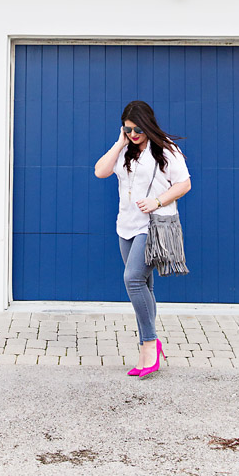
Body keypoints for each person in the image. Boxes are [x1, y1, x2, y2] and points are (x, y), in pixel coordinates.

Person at [94, 100, 191, 377]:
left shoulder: (166, 151)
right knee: (144, 286)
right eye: (128, 129)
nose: (134, 134)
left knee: (132, 279)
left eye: (138, 129)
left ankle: (148, 344)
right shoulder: (125, 151)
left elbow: (184, 184)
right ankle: (152, 344)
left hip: (154, 225)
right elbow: (100, 171)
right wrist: (119, 143)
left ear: (148, 125)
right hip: (126, 225)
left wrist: (158, 201)